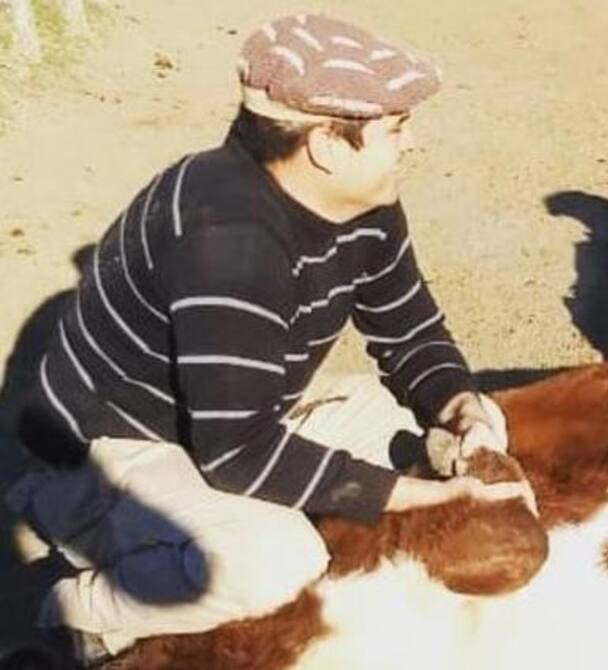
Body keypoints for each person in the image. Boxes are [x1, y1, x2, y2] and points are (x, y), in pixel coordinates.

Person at [4, 13, 529, 664]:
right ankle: (85, 614)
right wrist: (418, 495)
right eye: (395, 128)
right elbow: (238, 455)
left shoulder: (362, 204)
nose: (411, 142)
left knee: (474, 431)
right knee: (273, 561)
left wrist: (461, 409)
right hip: (113, 451)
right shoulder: (226, 239)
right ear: (327, 145)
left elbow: (410, 329)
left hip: (240, 412)